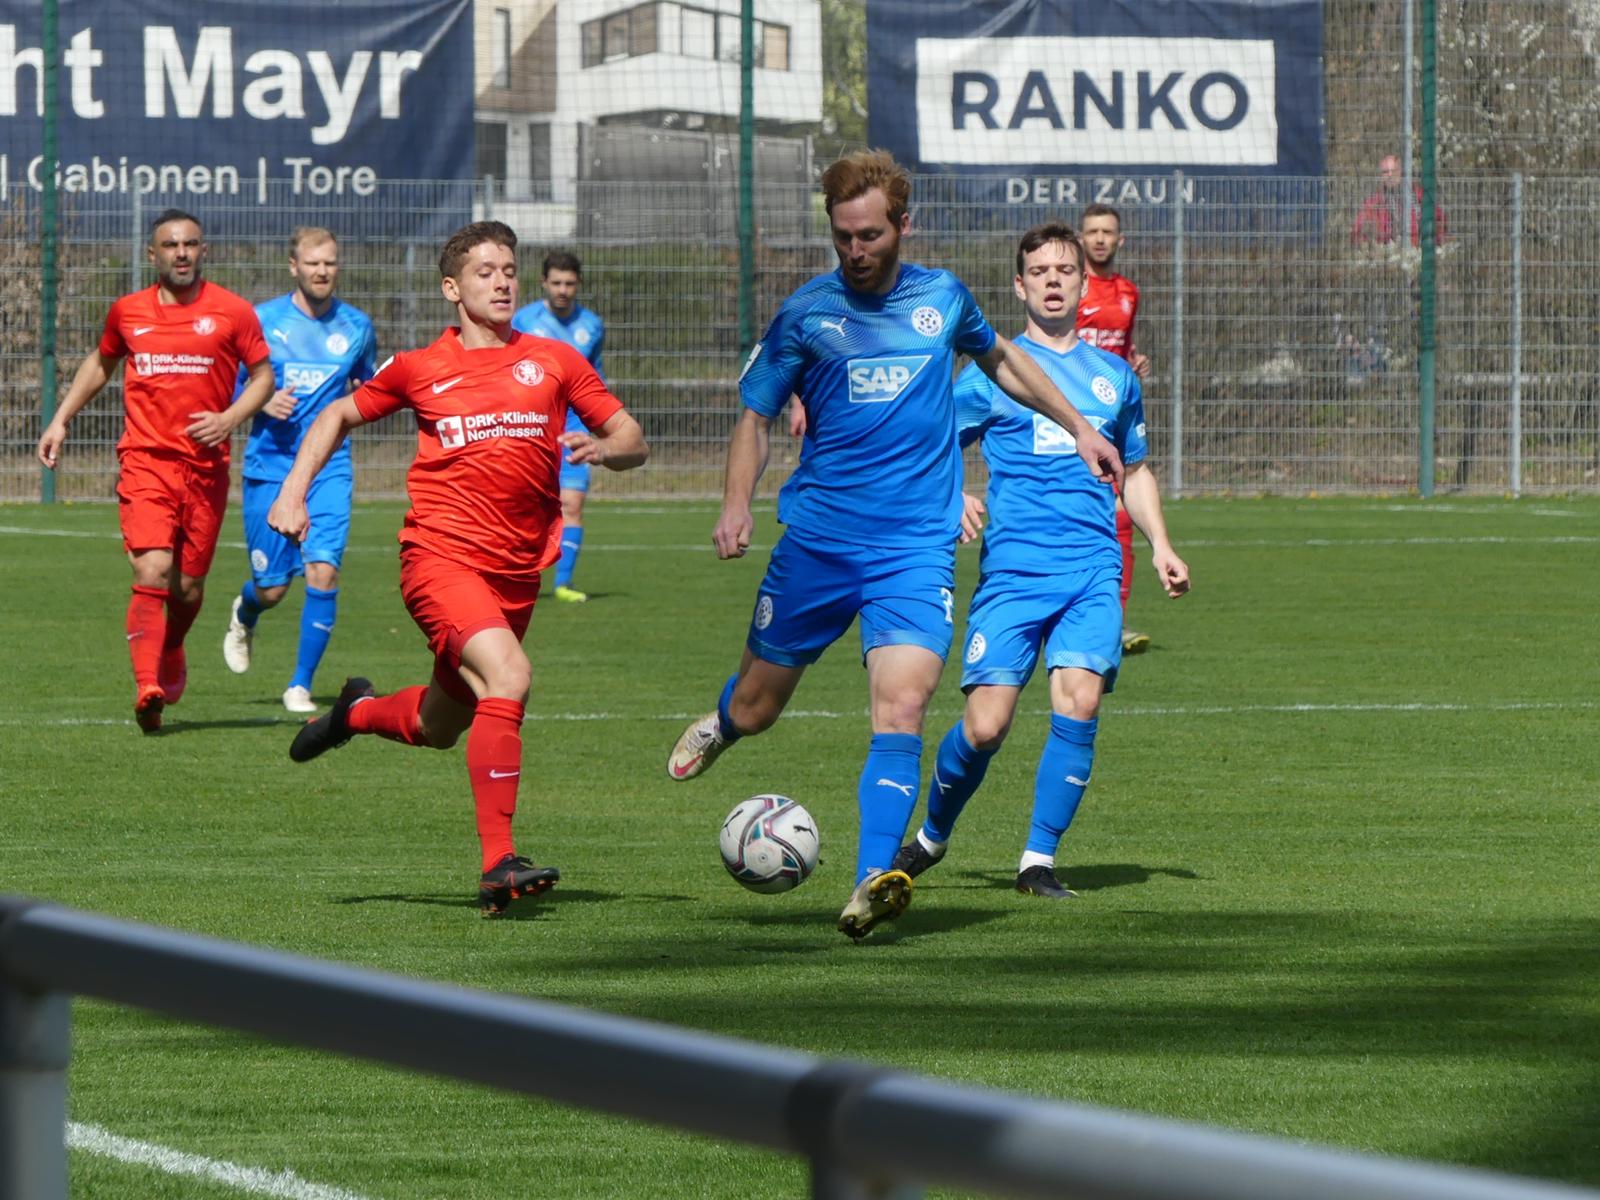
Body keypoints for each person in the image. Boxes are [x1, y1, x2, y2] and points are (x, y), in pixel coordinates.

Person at [664, 150, 1124, 941]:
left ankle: (870, 880)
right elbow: (755, 416)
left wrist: (1078, 426)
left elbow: (1003, 361)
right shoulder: (807, 316)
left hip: (913, 549)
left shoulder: (942, 298)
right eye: (842, 237)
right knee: (758, 704)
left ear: (902, 226)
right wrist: (736, 503)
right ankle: (723, 724)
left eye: (871, 234)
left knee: (904, 705)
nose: (856, 251)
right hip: (818, 544)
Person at [267, 221, 648, 916]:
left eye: (509, 270)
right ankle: (498, 861)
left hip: (516, 575)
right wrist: (294, 491)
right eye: (485, 272)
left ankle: (354, 713)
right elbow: (334, 418)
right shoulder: (419, 367)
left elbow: (631, 437)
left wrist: (604, 448)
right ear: (452, 288)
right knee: (511, 676)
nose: (502, 281)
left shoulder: (555, 360)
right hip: (438, 559)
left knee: (441, 726)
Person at [893, 222, 1190, 899]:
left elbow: (1136, 472)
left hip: (1090, 569)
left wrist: (1162, 546)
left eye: (1066, 269)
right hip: (1013, 573)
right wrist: (953, 495)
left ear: (1084, 285)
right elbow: (923, 447)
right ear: (1019, 285)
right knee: (986, 724)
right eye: (1041, 271)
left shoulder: (1114, 379)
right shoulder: (991, 375)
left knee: (1080, 700)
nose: (1054, 280)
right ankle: (932, 838)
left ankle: (1037, 863)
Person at [37, 209, 274, 734]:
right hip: (145, 461)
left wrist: (231, 417)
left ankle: (171, 646)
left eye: (190, 244)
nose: (182, 253)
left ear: (203, 250)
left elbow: (263, 377)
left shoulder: (233, 312)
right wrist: (60, 420)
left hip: (206, 469)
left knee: (188, 588)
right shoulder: (128, 312)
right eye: (170, 245)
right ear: (153, 254)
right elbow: (101, 364)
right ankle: (148, 687)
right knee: (151, 572)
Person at [222, 227, 378, 713]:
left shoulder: (356, 327)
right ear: (294, 266)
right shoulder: (262, 320)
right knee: (272, 590)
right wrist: (261, 401)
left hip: (328, 468)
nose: (322, 271)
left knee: (323, 571)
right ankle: (246, 612)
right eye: (313, 262)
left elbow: (367, 389)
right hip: (270, 466)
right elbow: (226, 388)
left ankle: (300, 685)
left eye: (330, 262)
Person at [1077, 203, 1153, 656]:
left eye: (1108, 231)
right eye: (1092, 231)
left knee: (1122, 516)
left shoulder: (1128, 292)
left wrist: (1131, 363)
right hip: (1069, 416)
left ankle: (1113, 622)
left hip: (1112, 415)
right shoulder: (1070, 286)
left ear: (1120, 239)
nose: (1100, 238)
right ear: (1081, 238)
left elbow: (1119, 348)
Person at [511, 251, 606, 603]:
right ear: (544, 284)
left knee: (573, 503)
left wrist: (602, 421)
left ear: (577, 284)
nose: (563, 290)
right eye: (556, 283)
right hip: (532, 421)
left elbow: (595, 377)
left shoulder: (592, 326)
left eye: (569, 283)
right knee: (523, 505)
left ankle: (563, 584)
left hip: (574, 424)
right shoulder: (523, 321)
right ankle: (517, 575)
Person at [1351, 154, 1450, 246]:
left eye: (1394, 171)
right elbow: (1357, 231)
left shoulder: (1420, 197)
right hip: (1387, 255)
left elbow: (1440, 222)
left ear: (1401, 172)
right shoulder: (1374, 203)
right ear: (1381, 176)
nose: (1390, 175)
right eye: (1385, 172)